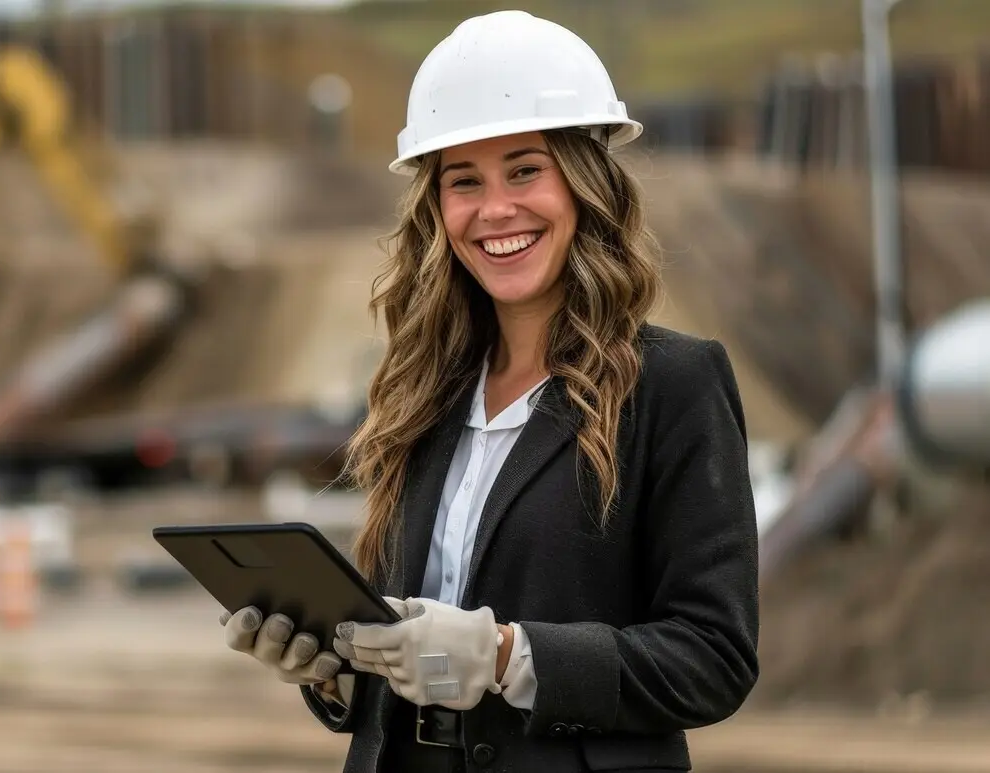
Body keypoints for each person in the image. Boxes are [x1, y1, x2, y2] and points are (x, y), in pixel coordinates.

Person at [220, 9, 760, 772]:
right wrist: (334, 668)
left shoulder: (673, 383)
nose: (495, 209)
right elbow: (407, 646)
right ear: (437, 210)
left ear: (584, 182)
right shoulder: (423, 391)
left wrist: (510, 654)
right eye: (463, 180)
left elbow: (715, 656)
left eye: (525, 169)